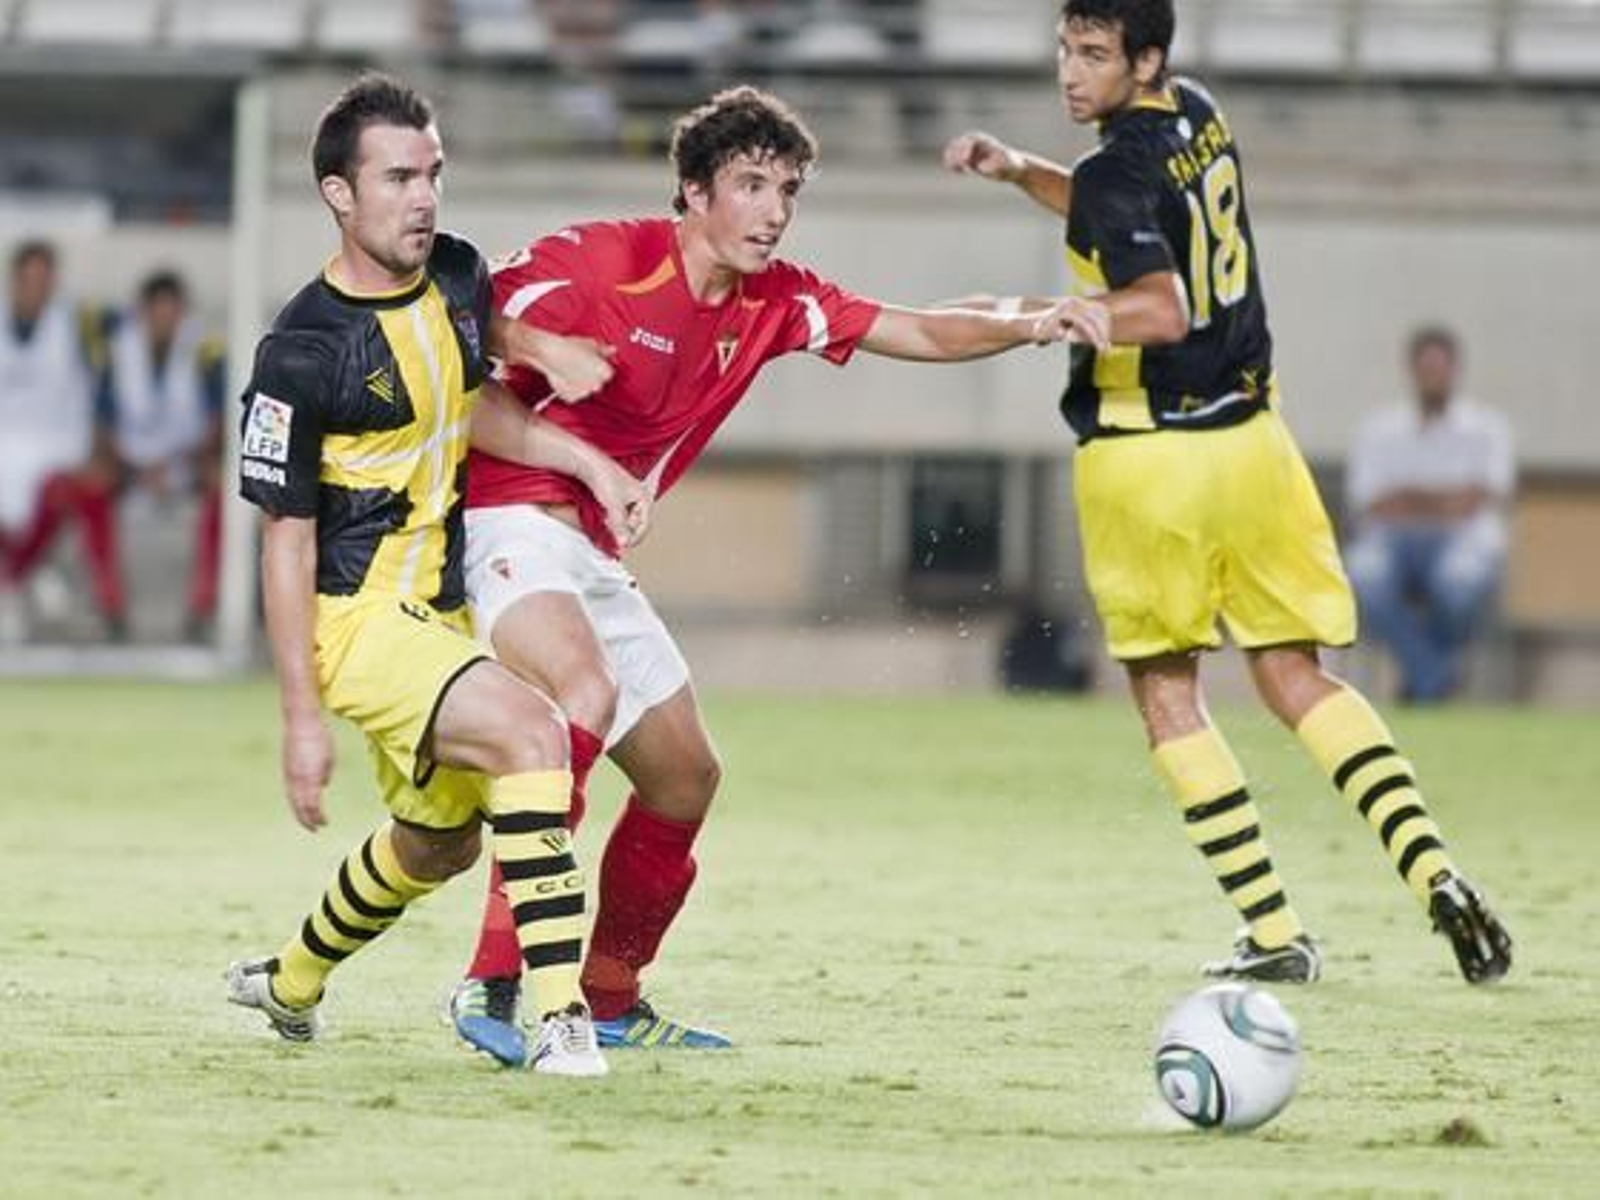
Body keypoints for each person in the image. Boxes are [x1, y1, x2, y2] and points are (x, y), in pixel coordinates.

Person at [447, 85, 1108, 1064]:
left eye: (788, 190)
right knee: (580, 697)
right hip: (506, 518)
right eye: (751, 184)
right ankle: (492, 978)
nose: (772, 211)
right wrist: (539, 347)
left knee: (684, 778)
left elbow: (922, 328)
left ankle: (612, 997)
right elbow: (455, 319)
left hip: (591, 552)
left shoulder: (777, 300)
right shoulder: (602, 261)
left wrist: (1039, 318)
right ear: (693, 191)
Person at [940, 0, 1510, 985]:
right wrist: (1022, 170)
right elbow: (1128, 213)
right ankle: (1434, 870)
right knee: (1296, 678)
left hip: (1150, 460)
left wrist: (1049, 314)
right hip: (1253, 445)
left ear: (1145, 58)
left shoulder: (1114, 172)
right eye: (1064, 51)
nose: (1070, 72)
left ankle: (1274, 931)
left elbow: (1157, 305)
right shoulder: (1196, 111)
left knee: (1168, 692)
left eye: (1093, 54)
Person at [225, 73, 651, 1075]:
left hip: (438, 613)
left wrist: (589, 463)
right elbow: (283, 541)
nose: (423, 198)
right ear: (339, 194)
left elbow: (469, 405)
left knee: (440, 842)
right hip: (356, 621)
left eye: (433, 174)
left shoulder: (456, 276)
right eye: (398, 178)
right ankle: (561, 1022)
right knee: (533, 732)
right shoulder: (299, 352)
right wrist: (299, 715)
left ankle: (289, 981)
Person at [1345, 327, 1513, 703]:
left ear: (1455, 370)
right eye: (1426, 369)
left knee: (1460, 583)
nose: (1433, 377)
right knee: (1364, 576)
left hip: (1463, 538)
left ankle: (1421, 681)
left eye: (1440, 369)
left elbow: (1479, 499)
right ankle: (1435, 676)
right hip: (1392, 540)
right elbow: (1371, 502)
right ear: (1411, 371)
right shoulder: (1379, 429)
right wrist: (1446, 499)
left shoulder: (1487, 428)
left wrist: (1409, 495)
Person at [0, 239, 123, 640]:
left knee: (73, 493)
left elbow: (104, 389)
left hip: (60, 450)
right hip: (6, 447)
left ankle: (19, 579)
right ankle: (27, 578)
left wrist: (101, 450)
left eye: (43, 279)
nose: (36, 288)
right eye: (28, 279)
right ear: (14, 280)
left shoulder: (78, 325)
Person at [105, 269, 228, 639]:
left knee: (227, 495)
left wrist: (186, 461)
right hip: (130, 468)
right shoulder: (117, 352)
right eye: (156, 311)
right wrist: (133, 468)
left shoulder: (205, 352)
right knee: (87, 487)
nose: (164, 321)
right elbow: (102, 421)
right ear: (143, 312)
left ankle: (202, 606)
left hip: (185, 463)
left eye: (171, 312)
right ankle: (112, 609)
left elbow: (217, 419)